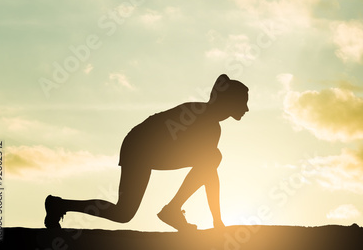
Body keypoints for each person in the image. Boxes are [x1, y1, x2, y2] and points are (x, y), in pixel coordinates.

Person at [44, 74, 249, 231]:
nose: (246, 109)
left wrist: (217, 221)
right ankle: (172, 210)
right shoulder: (200, 115)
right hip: (139, 148)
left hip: (151, 151)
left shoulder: (212, 126)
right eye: (243, 102)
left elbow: (208, 172)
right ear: (229, 102)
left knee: (122, 213)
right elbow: (207, 169)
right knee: (124, 212)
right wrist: (218, 222)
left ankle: (59, 205)